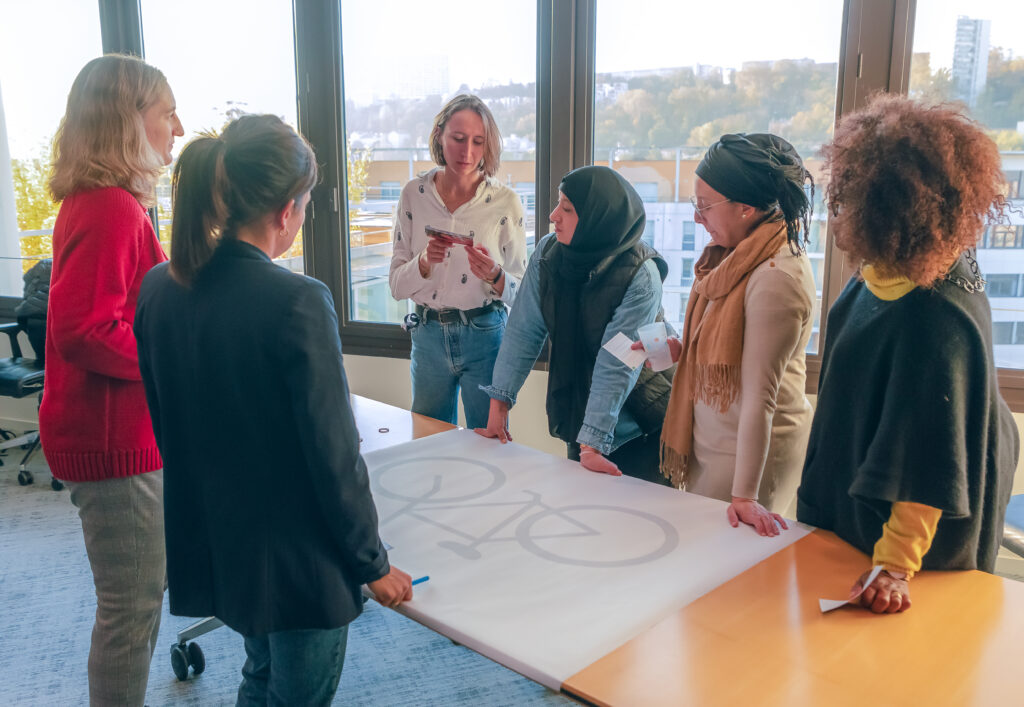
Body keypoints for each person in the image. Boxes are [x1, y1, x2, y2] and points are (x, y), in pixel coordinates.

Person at [134, 114, 413, 706]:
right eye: (307, 205)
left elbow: (167, 422)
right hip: (297, 561)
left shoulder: (159, 286)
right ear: (286, 211)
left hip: (219, 540)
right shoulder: (296, 300)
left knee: (259, 675)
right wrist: (372, 563)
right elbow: (334, 455)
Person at [797, 95, 1018, 614]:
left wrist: (894, 566)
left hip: (922, 526)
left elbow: (929, 456)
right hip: (862, 501)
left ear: (889, 208)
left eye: (849, 200)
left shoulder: (938, 315)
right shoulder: (880, 274)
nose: (838, 213)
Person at [40, 54, 182, 707]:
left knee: (137, 599)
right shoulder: (111, 209)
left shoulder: (99, 203)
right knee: (130, 609)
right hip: (111, 440)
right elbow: (84, 329)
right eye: (166, 113)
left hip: (114, 431)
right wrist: (169, 356)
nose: (178, 128)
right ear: (128, 121)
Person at [656, 133, 817, 536]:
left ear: (746, 208)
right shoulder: (734, 256)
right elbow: (729, 349)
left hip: (748, 459)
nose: (697, 218)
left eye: (704, 206)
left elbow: (761, 395)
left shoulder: (776, 276)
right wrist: (682, 350)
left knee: (727, 561)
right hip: (717, 441)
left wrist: (745, 495)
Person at [477, 165, 673, 484]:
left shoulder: (641, 273)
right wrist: (499, 404)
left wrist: (592, 443)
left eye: (567, 209)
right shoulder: (549, 254)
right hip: (582, 415)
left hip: (641, 419)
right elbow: (524, 329)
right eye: (558, 203)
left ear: (598, 217)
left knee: (636, 512)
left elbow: (618, 361)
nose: (553, 215)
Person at [388, 94, 527, 429]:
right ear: (439, 136)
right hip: (427, 335)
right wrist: (423, 264)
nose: (467, 152)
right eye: (458, 139)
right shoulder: (413, 194)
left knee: (490, 442)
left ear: (488, 145)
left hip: (486, 335)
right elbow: (395, 286)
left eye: (478, 142)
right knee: (428, 440)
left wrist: (495, 276)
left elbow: (524, 294)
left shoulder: (506, 202)